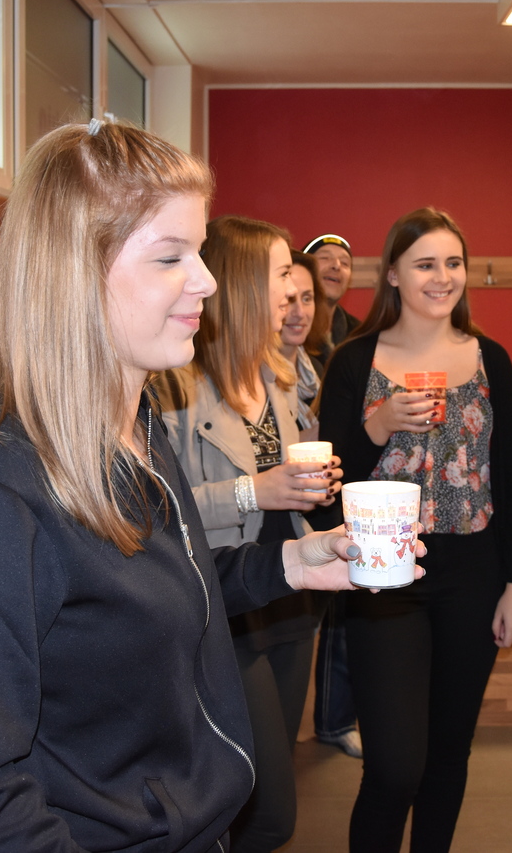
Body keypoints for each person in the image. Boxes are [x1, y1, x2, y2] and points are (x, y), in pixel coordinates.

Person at [0, 120, 418, 853]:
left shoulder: (142, 432)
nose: (204, 281)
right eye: (171, 256)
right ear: (75, 273)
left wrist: (294, 564)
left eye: (198, 252)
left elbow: (171, 589)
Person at [317, 207, 512, 853]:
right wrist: (378, 425)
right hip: (385, 576)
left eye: (453, 263)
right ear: (392, 275)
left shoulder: (490, 360)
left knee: (448, 755)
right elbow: (328, 479)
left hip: (473, 572)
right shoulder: (357, 362)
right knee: (393, 766)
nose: (443, 278)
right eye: (425, 264)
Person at [157, 216, 342, 853]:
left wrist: (314, 482)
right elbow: (159, 511)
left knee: (264, 792)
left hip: (288, 599)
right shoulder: (175, 388)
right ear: (240, 288)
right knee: (265, 813)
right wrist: (254, 491)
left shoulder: (279, 377)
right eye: (280, 274)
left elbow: (286, 477)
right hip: (224, 610)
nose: (294, 291)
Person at [285, 250, 364, 759]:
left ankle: (332, 720)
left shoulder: (313, 365)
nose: (297, 309)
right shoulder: (265, 371)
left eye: (306, 298)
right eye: (286, 297)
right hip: (267, 542)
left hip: (312, 519)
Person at [281, 250, 331, 437]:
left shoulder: (317, 369)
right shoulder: (253, 380)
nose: (300, 312)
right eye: (290, 299)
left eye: (307, 298)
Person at [304, 233, 357, 347]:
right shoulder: (286, 328)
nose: (336, 266)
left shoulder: (359, 335)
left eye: (344, 263)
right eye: (325, 258)